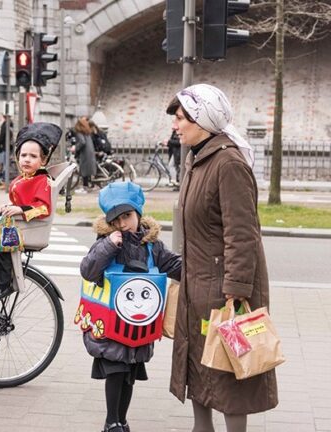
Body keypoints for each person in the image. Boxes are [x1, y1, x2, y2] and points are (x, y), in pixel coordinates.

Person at [166, 84, 276, 432]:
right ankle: (202, 428)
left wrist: (237, 288)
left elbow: (243, 233)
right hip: (197, 283)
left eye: (181, 118)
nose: (175, 125)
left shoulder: (227, 162)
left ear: (203, 120)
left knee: (228, 367)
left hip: (224, 288)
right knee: (199, 359)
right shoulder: (197, 159)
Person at [79, 181, 182, 432]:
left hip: (138, 324)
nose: (123, 223)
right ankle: (111, 420)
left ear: (138, 214)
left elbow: (174, 265)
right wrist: (107, 245)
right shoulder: (106, 243)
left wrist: (198, 266)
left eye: (127, 216)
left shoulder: (152, 246)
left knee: (130, 374)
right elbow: (88, 270)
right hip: (111, 325)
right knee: (116, 370)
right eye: (116, 219)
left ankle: (122, 419)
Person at [0, 122, 59, 303]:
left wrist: (20, 210)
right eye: (23, 155)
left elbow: (43, 208)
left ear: (43, 160)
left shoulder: (42, 180)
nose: (26, 159)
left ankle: (3, 283)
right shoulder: (25, 178)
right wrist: (8, 205)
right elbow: (19, 199)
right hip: (16, 221)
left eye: (33, 156)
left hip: (25, 226)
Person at [70, 116, 98, 193]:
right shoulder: (87, 132)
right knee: (87, 170)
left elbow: (82, 142)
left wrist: (75, 148)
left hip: (85, 153)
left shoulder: (79, 133)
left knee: (84, 170)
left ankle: (85, 187)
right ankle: (87, 186)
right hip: (90, 152)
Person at [0, 115, 14, 187]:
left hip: (5, 147)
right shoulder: (10, 124)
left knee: (5, 164)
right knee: (5, 163)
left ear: (4, 117)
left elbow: (1, 136)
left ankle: (4, 182)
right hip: (9, 146)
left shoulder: (5, 124)